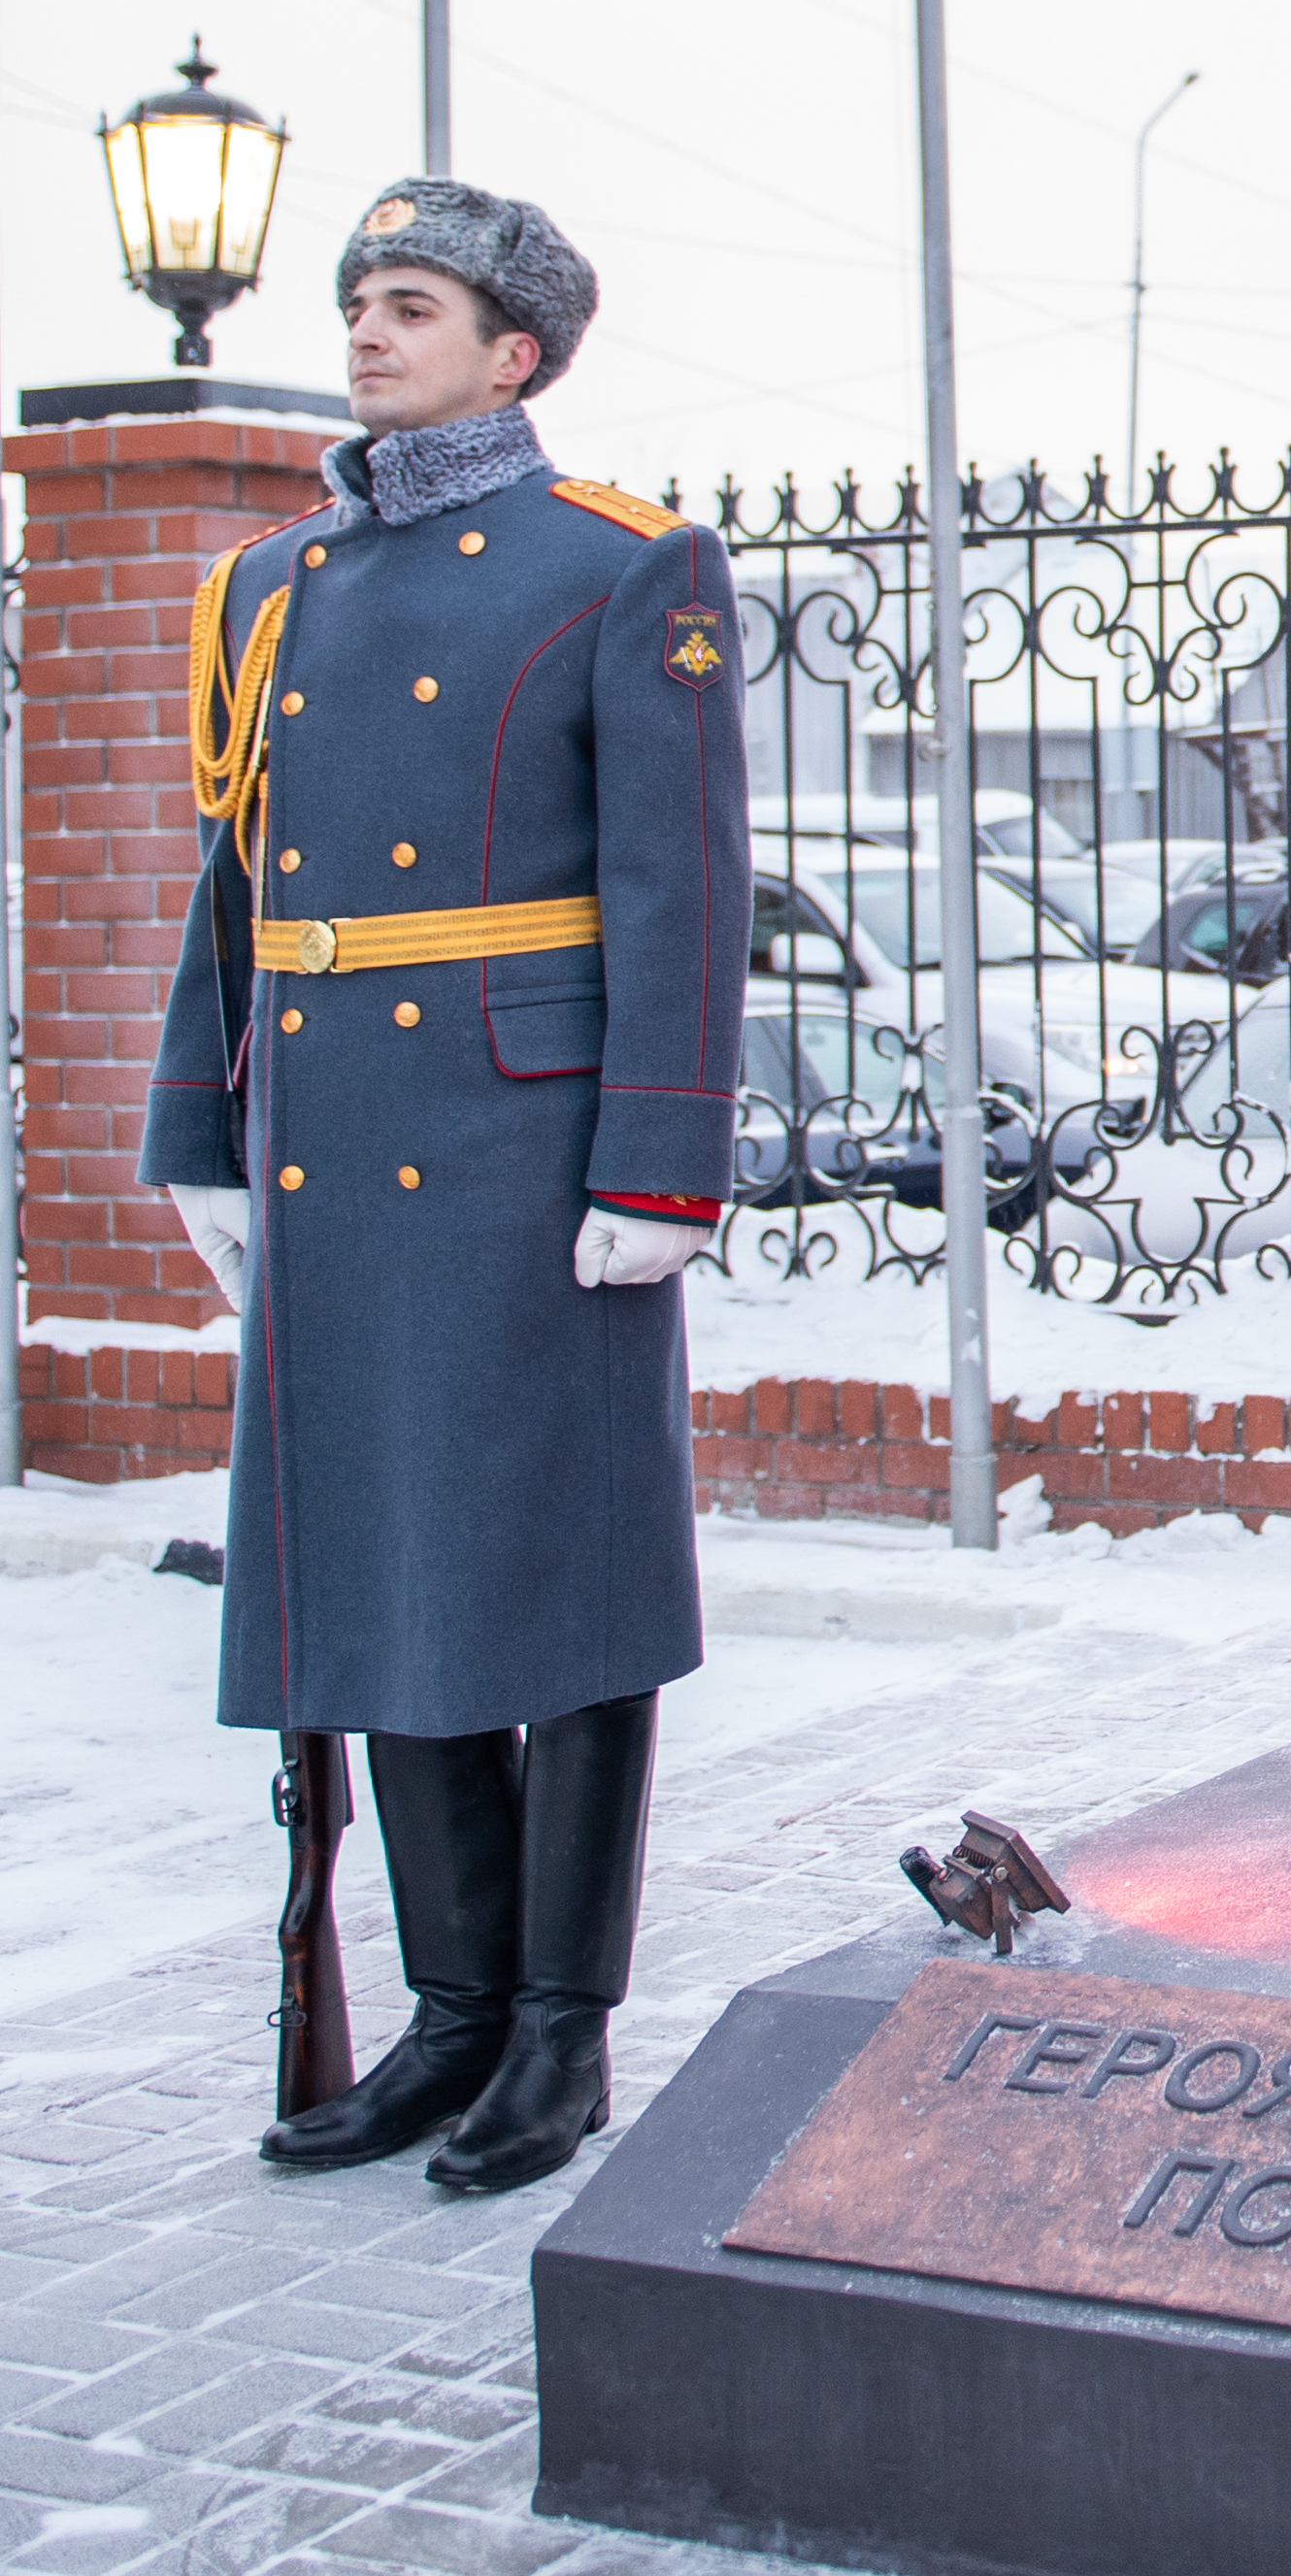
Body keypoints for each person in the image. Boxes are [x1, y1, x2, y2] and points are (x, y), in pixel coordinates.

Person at [144, 180, 750, 2196]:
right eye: (355, 301)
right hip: (332, 1142)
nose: (365, 330)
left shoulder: (622, 562)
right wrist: (192, 1126)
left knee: (555, 1589)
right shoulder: (275, 586)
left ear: (513, 351)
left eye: (407, 304)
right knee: (393, 1578)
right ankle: (451, 2014)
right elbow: (236, 882)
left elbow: (680, 890)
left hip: (528, 1143)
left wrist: (662, 1159)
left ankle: (560, 2035)